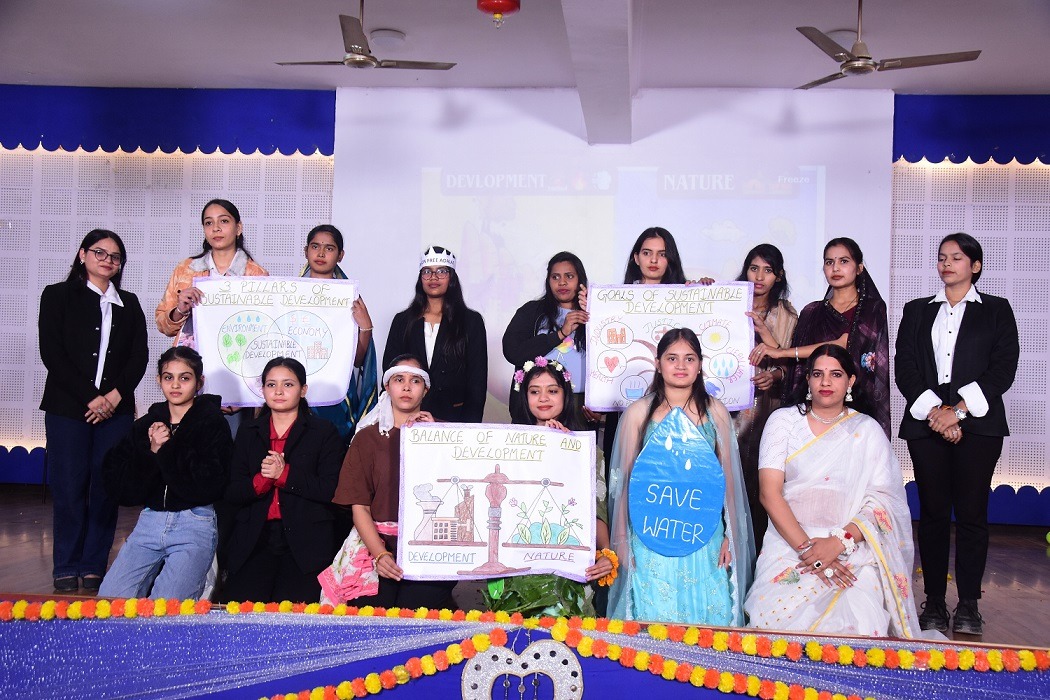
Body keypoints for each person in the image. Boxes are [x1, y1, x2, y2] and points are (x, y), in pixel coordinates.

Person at [744, 344, 920, 638]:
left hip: (850, 547)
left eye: (836, 374)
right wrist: (810, 552)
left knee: (859, 623)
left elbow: (884, 502)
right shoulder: (783, 422)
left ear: (851, 381)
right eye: (818, 374)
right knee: (774, 626)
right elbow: (769, 494)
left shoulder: (867, 430)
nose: (826, 382)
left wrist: (838, 543)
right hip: (790, 543)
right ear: (808, 380)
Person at [895, 233, 1018, 636]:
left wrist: (958, 413)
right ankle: (933, 601)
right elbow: (905, 367)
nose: (947, 264)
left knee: (971, 513)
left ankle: (968, 604)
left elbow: (1003, 368)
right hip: (926, 422)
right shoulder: (917, 310)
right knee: (932, 513)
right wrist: (937, 413)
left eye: (957, 258)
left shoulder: (996, 310)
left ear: (975, 266)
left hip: (978, 425)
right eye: (942, 257)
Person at [607, 328, 754, 626]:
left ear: (700, 365)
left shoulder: (715, 412)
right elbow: (624, 485)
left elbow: (728, 481)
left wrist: (731, 536)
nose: (681, 365)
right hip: (649, 533)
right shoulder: (638, 413)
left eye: (689, 358)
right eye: (672, 358)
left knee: (709, 615)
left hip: (704, 532)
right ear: (658, 363)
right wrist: (622, 541)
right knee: (652, 611)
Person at [38, 230, 149, 593]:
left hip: (115, 412)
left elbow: (139, 357)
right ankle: (66, 565)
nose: (107, 261)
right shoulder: (57, 295)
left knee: (106, 487)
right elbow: (52, 353)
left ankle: (93, 566)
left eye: (115, 257)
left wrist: (113, 398)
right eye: (100, 253)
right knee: (69, 486)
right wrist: (91, 398)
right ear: (83, 254)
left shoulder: (129, 303)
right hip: (68, 409)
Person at [320, 355, 457, 608]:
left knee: (419, 611)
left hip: (429, 546)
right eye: (399, 379)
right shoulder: (366, 439)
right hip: (375, 543)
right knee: (373, 612)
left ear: (425, 390)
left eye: (415, 381)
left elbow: (461, 487)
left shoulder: (448, 435)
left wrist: (438, 439)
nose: (406, 387)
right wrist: (380, 554)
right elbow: (360, 507)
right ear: (387, 387)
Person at [482, 358, 615, 617]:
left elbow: (597, 512)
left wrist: (607, 554)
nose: (543, 398)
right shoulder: (505, 449)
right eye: (535, 392)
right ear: (525, 397)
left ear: (566, 395)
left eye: (552, 391)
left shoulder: (586, 451)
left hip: (567, 572)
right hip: (516, 569)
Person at [99, 347, 233, 599]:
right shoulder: (145, 425)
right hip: (149, 521)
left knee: (167, 608)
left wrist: (167, 449)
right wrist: (151, 452)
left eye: (185, 378)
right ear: (159, 380)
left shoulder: (213, 424)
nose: (176, 385)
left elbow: (210, 484)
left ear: (199, 382)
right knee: (110, 599)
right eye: (168, 377)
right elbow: (123, 488)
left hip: (195, 522)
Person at [222, 357, 344, 603]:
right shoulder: (248, 431)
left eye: (288, 384)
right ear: (263, 390)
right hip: (254, 539)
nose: (278, 391)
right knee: (244, 612)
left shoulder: (323, 432)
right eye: (271, 384)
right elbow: (232, 491)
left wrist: (284, 475)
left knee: (296, 615)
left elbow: (331, 490)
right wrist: (261, 481)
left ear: (303, 390)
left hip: (305, 542)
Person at [750, 237, 891, 437]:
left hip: (855, 406)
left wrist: (781, 352)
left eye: (844, 261)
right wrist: (765, 332)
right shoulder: (812, 311)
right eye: (829, 262)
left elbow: (843, 345)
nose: (835, 268)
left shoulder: (872, 308)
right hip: (814, 409)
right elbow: (795, 362)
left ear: (859, 268)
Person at [603, 228, 689, 459]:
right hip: (625, 402)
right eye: (647, 253)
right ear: (636, 257)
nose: (653, 260)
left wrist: (705, 292)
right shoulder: (613, 301)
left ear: (670, 259)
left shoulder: (687, 297)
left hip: (676, 403)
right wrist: (591, 309)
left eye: (662, 254)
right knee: (625, 466)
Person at [734, 244, 798, 548]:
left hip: (766, 406)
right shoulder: (729, 303)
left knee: (761, 477)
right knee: (726, 475)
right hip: (727, 405)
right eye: (754, 268)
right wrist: (705, 291)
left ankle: (759, 553)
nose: (759, 277)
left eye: (768, 270)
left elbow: (793, 366)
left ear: (779, 276)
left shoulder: (787, 315)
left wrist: (773, 375)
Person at [383, 246, 487, 423]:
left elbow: (477, 380)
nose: (433, 277)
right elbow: (390, 370)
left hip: (454, 419)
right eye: (427, 272)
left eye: (441, 271)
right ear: (420, 278)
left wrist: (469, 427)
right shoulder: (403, 321)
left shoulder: (471, 321)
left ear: (452, 277)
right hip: (408, 417)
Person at [300, 224, 379, 444]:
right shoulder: (287, 294)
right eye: (315, 246)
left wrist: (366, 328)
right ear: (306, 251)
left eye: (329, 248)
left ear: (340, 255)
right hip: (296, 390)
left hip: (335, 394)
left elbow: (358, 360)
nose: (321, 253)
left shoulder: (350, 299)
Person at [155, 198, 269, 349]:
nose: (216, 228)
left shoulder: (256, 275)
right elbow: (163, 325)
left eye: (224, 221)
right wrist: (180, 310)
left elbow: (263, 328)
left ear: (238, 228)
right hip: (190, 357)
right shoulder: (185, 270)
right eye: (209, 223)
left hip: (235, 354)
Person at [503, 252, 591, 412]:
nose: (562, 282)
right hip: (536, 403)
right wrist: (560, 334)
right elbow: (513, 352)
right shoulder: (531, 311)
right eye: (555, 277)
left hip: (580, 404)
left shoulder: (594, 314)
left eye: (569, 276)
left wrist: (595, 310)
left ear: (580, 280)